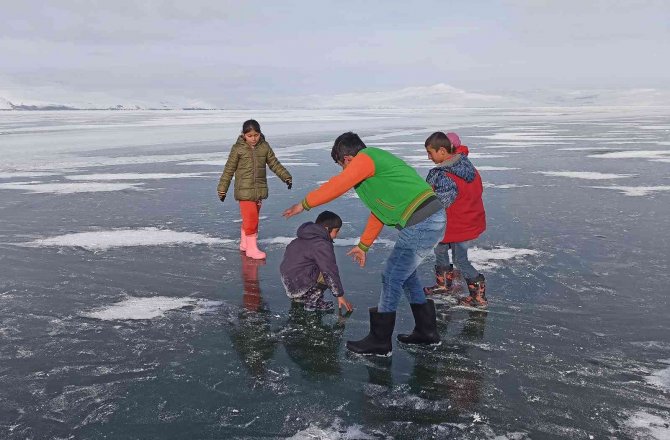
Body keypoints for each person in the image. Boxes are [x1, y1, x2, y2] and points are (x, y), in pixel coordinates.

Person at [283, 132, 445, 356]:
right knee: (405, 275)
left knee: (391, 276)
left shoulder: (367, 158)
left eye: (341, 165)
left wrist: (305, 204)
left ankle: (380, 341)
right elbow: (379, 212)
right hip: (423, 220)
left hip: (422, 221)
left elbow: (338, 184)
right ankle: (426, 332)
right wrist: (364, 245)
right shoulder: (372, 173)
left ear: (348, 159)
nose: (343, 171)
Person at [423, 131, 487, 308]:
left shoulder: (446, 176)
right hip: (460, 222)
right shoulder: (466, 166)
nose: (429, 157)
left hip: (457, 224)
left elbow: (439, 202)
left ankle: (478, 297)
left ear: (442, 151)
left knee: (460, 260)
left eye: (430, 153)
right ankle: (444, 285)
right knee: (440, 250)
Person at [217, 119, 292, 259]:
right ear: (243, 135)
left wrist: (286, 176)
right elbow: (229, 169)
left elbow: (274, 163)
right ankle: (251, 249)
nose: (253, 139)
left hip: (258, 190)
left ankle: (245, 244)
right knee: (251, 219)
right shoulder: (238, 149)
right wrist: (222, 189)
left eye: (256, 135)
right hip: (244, 191)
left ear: (260, 133)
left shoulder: (264, 146)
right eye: (250, 136)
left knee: (252, 218)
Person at [280, 211, 353, 313]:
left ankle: (302, 297)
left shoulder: (301, 238)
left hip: (289, 282)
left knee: (316, 265)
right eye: (337, 231)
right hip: (300, 283)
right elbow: (329, 270)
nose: (338, 234)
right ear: (327, 229)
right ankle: (311, 300)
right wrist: (339, 295)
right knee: (326, 272)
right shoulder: (322, 244)